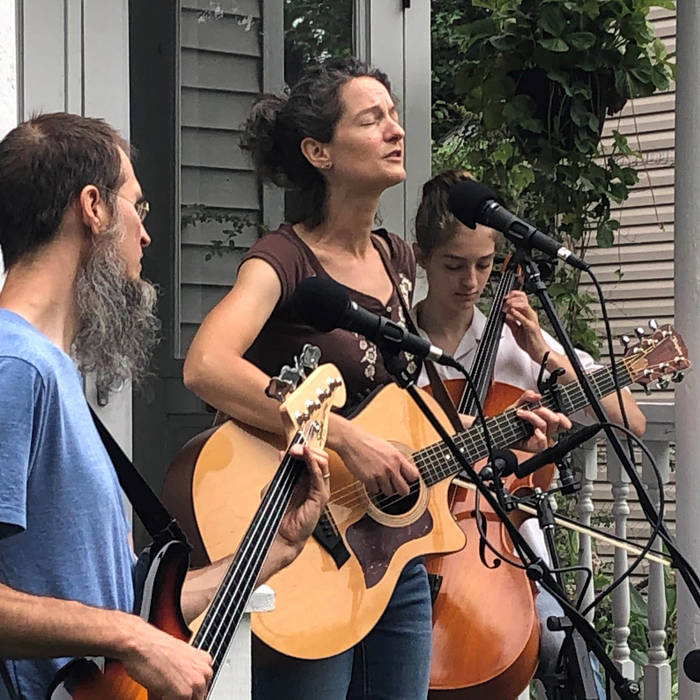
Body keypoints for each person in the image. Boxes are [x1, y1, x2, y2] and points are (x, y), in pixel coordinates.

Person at [183, 57, 570, 700]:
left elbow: (394, 414)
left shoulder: (394, 259)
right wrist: (342, 438)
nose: (396, 130)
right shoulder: (284, 259)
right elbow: (206, 366)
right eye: (371, 120)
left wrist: (497, 430)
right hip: (306, 541)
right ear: (319, 152)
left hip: (395, 555)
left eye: (393, 114)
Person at [0, 112, 330, 700]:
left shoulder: (50, 373)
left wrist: (271, 550)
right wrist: (133, 638)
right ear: (93, 207)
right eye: (138, 207)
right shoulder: (15, 365)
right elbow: (123, 628)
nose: (146, 235)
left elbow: (123, 604)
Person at [411, 168, 647, 681]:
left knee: (568, 643)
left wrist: (542, 351)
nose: (471, 282)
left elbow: (630, 418)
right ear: (421, 256)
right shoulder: (397, 346)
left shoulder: (515, 344)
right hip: (408, 546)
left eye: (484, 265)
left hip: (501, 555)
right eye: (454, 265)